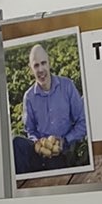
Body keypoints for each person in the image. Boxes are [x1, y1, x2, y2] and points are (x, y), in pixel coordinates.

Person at [13, 44, 89, 174]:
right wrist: (38, 143)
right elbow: (30, 130)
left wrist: (65, 140)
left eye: (43, 63)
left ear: (49, 63)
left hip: (64, 152)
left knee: (55, 162)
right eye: (36, 65)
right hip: (40, 153)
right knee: (16, 142)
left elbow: (82, 122)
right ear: (30, 69)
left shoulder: (67, 86)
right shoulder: (29, 97)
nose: (41, 69)